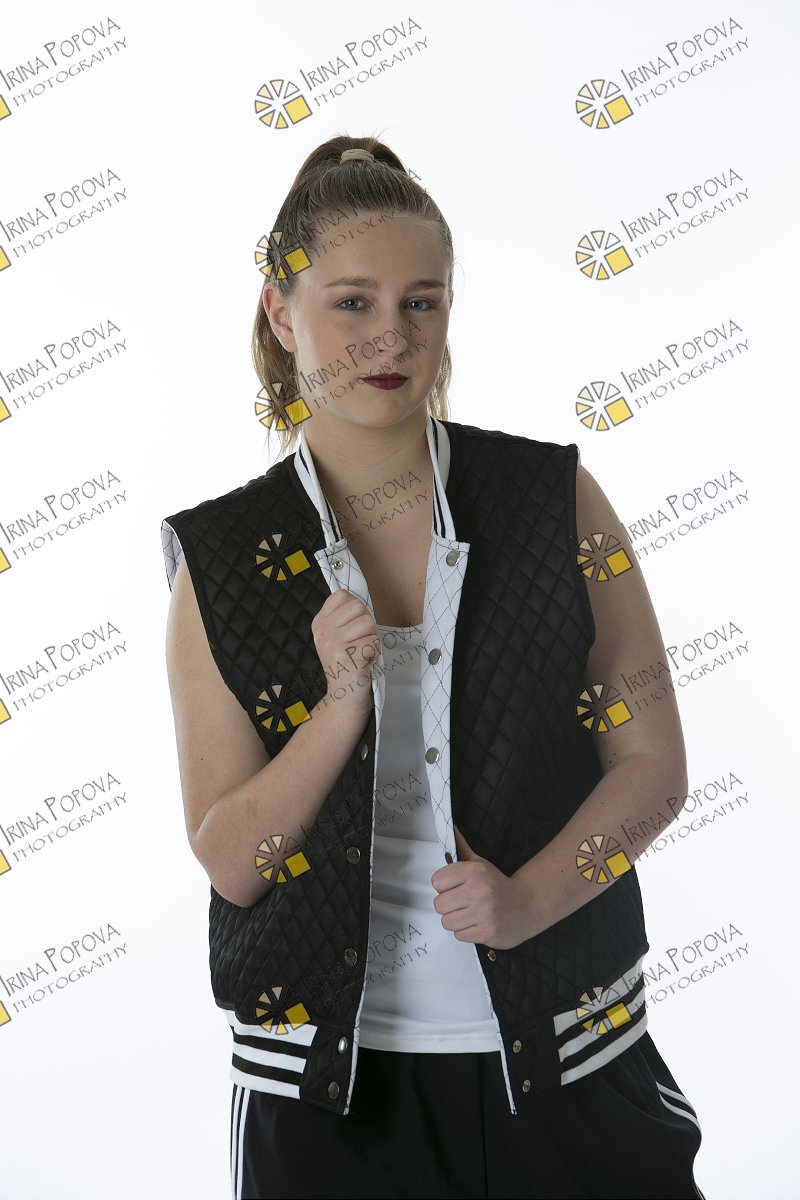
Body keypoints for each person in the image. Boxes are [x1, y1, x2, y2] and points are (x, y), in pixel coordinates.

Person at [161, 135, 706, 1200]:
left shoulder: (553, 500)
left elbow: (652, 768)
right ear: (282, 312)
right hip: (326, 1098)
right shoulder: (218, 560)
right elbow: (232, 859)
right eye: (351, 303)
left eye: (422, 302)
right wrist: (339, 708)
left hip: (569, 1054)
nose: (391, 336)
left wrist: (527, 901)